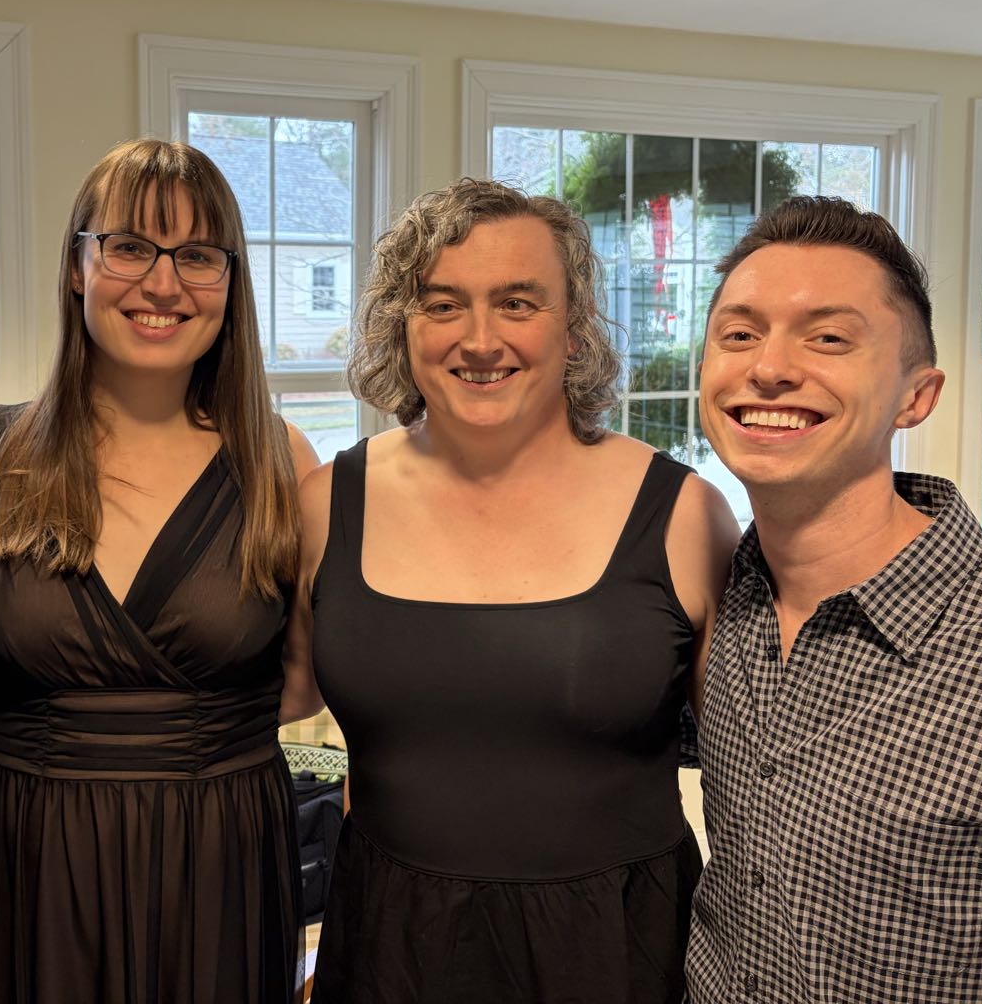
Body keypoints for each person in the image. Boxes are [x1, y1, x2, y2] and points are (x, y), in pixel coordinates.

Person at [280, 178, 736, 1003]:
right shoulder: (323, 505)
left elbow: (756, 783)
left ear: (573, 329)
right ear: (403, 325)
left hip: (617, 950)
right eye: (443, 304)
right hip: (390, 942)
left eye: (518, 303)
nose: (480, 339)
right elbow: (250, 705)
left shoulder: (685, 516)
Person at [0, 138, 318, 1004]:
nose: (162, 284)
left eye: (196, 256)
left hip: (223, 861)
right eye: (129, 247)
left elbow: (302, 685)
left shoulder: (282, 464)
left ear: (232, 280)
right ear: (77, 266)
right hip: (34, 864)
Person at [688, 196, 982, 1002]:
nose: (770, 367)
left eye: (829, 338)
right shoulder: (721, 603)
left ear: (916, 396)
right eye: (739, 333)